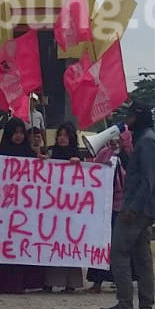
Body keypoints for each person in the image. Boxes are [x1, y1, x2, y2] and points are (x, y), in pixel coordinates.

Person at [99, 103, 155, 309]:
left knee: (119, 253)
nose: (127, 119)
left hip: (137, 209)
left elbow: (147, 180)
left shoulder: (145, 142)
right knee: (141, 257)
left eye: (130, 115)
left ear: (138, 116)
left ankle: (125, 308)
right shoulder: (147, 139)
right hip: (144, 208)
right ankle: (145, 308)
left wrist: (132, 208)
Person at [0, 118, 45, 294]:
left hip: (23, 214)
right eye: (15, 132)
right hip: (1, 213)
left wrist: (42, 161)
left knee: (18, 245)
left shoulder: (30, 157)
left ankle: (16, 283)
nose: (18, 136)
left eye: (21, 132)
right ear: (8, 134)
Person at [45, 123, 86, 292]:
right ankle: (51, 281)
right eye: (60, 135)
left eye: (65, 135)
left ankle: (71, 282)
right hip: (52, 208)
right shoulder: (50, 154)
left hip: (71, 209)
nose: (62, 138)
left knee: (70, 242)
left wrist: (79, 165)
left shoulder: (77, 157)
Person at [86, 131, 128, 293]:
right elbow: (94, 170)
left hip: (120, 205)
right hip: (102, 205)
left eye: (118, 140)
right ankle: (96, 281)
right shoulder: (103, 153)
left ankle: (119, 280)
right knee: (99, 242)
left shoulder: (127, 156)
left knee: (117, 245)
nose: (115, 142)